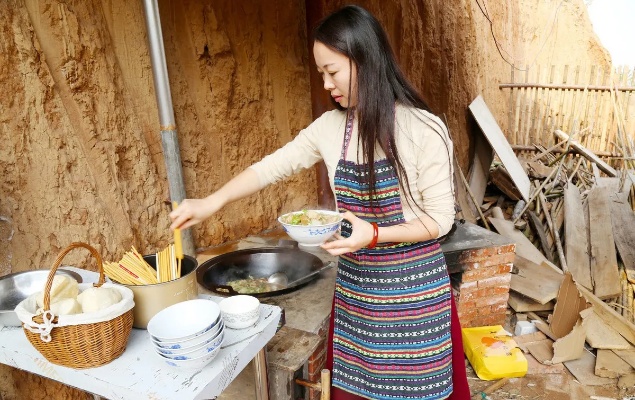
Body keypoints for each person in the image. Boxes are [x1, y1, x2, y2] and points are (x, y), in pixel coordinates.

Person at [170, 5, 469, 399]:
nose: (327, 83)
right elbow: (272, 167)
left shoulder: (423, 128)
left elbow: (441, 220)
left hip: (414, 301)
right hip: (359, 293)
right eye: (321, 73)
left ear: (365, 59)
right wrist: (213, 201)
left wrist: (375, 233)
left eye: (333, 71)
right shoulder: (332, 128)